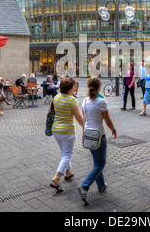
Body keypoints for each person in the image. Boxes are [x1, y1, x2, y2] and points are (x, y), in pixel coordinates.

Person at [77, 77, 117, 205]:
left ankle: (101, 185)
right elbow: (107, 120)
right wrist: (114, 130)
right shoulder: (101, 102)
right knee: (100, 164)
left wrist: (83, 134)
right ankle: (84, 185)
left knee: (96, 162)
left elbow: (85, 120)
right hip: (99, 135)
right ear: (99, 87)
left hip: (88, 134)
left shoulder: (85, 101)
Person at [50, 77, 85, 193]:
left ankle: (68, 172)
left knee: (64, 152)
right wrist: (85, 127)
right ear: (70, 88)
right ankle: (57, 177)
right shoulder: (72, 100)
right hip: (67, 131)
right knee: (67, 154)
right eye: (74, 86)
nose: (76, 87)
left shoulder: (56, 97)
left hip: (56, 130)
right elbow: (78, 117)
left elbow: (49, 112)